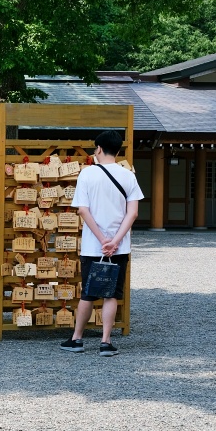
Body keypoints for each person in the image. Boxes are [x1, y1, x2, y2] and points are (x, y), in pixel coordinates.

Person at [60, 130, 144, 357]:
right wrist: (115, 241)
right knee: (111, 294)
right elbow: (133, 213)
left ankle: (77, 339)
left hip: (92, 245)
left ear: (98, 149)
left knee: (88, 293)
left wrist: (101, 240)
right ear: (117, 150)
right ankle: (105, 342)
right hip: (120, 246)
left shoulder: (87, 174)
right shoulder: (128, 176)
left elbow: (82, 210)